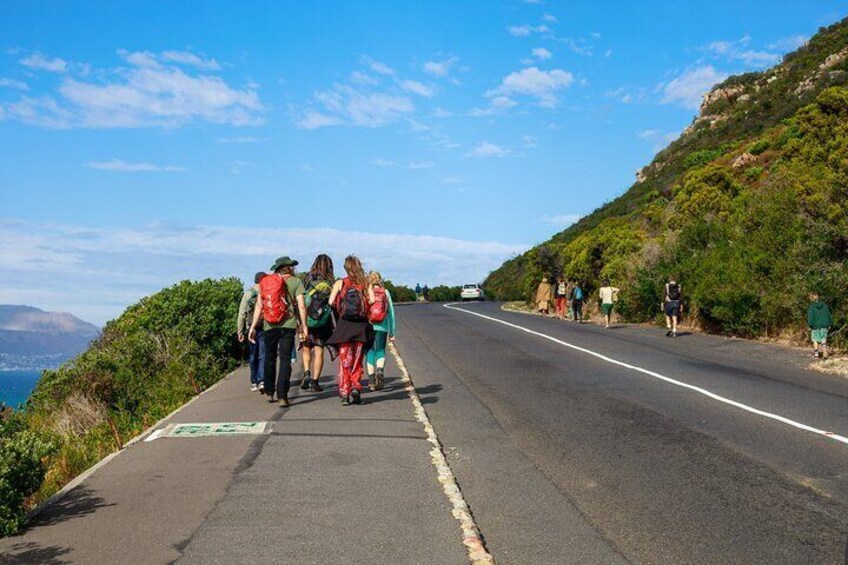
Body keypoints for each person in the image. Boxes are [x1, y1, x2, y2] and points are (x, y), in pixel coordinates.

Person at [248, 256, 308, 407]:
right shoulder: (296, 281)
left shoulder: (265, 282)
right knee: (285, 360)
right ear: (289, 267)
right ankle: (283, 396)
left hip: (269, 325)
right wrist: (304, 326)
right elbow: (301, 306)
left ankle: (269, 392)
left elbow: (259, 306)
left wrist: (253, 327)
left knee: (269, 358)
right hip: (288, 325)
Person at [327, 255, 375, 406]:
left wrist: (341, 307)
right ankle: (356, 388)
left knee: (345, 361)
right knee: (357, 361)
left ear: (346, 267)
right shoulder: (365, 282)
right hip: (361, 327)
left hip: (344, 327)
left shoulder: (340, 282)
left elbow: (330, 302)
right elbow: (372, 300)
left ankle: (345, 393)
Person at [299, 254, 335, 393]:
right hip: (322, 321)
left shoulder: (307, 278)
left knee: (306, 348)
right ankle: (315, 382)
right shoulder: (330, 281)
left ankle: (307, 372)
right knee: (319, 351)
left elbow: (301, 298)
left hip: (306, 319)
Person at [366, 271, 396, 391]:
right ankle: (380, 371)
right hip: (382, 327)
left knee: (370, 352)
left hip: (369, 326)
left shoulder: (367, 292)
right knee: (380, 351)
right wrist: (392, 332)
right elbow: (391, 313)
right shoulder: (385, 292)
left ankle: (372, 381)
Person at [237, 272, 266, 391]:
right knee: (263, 355)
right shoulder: (265, 292)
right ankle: (262, 380)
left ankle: (254, 381)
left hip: (251, 329)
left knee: (253, 355)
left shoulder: (248, 294)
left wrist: (240, 331)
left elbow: (242, 314)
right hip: (264, 327)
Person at [807, 291, 832, 359]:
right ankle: (825, 352)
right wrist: (829, 323)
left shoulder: (811, 307)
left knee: (815, 340)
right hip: (824, 325)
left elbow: (810, 317)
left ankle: (816, 354)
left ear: (811, 298)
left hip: (815, 326)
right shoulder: (824, 305)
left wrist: (810, 325)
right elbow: (828, 315)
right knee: (823, 339)